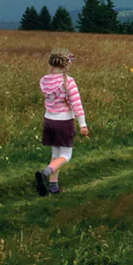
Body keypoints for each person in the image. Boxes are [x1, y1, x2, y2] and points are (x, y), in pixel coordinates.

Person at [35, 48, 89, 196]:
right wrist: (83, 125)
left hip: (49, 120)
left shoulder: (44, 80)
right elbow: (77, 104)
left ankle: (53, 186)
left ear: (51, 65)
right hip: (64, 122)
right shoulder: (68, 82)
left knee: (55, 154)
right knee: (66, 155)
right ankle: (45, 173)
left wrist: (67, 59)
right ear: (66, 66)